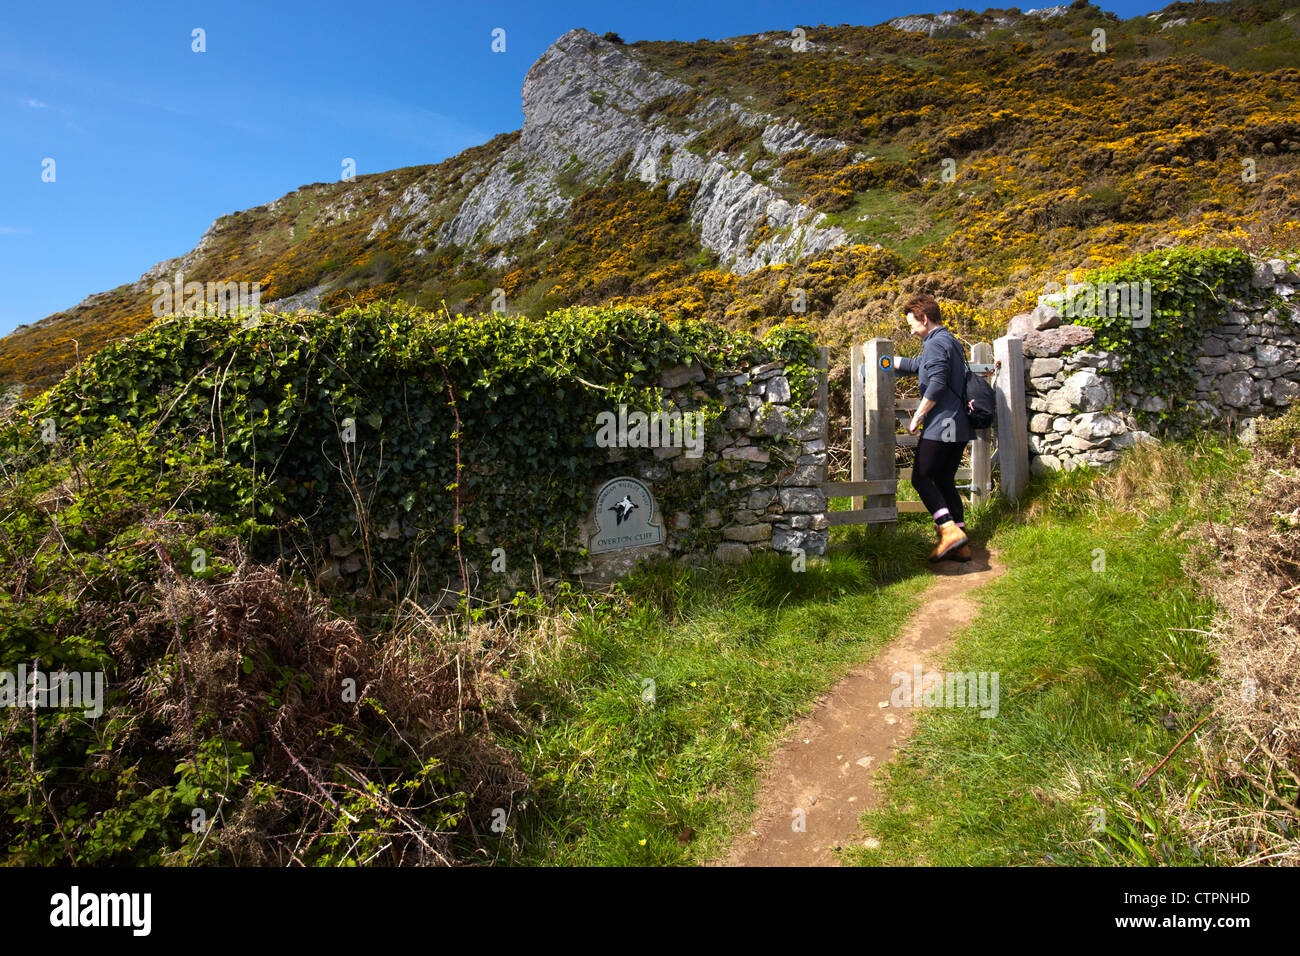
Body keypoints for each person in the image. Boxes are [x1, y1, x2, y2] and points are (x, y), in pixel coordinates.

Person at [894, 294, 972, 563]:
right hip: (959, 424)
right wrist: (887, 362)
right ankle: (961, 544)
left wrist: (917, 416)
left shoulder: (935, 344)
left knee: (921, 478)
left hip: (942, 423)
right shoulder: (947, 341)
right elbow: (919, 366)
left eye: (912, 324)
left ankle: (948, 530)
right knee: (944, 480)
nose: (911, 329)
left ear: (924, 319)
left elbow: (937, 382)